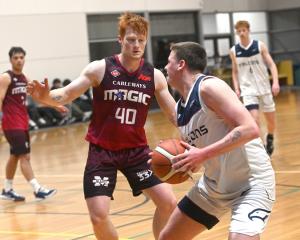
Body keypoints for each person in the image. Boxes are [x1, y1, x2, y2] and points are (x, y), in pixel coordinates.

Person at [28, 12, 177, 240]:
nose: (136, 45)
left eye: (141, 40)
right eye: (131, 39)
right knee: (98, 215)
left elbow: (175, 115)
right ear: (120, 40)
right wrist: (46, 97)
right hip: (102, 151)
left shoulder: (154, 76)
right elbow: (67, 93)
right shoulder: (100, 68)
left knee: (168, 202)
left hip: (136, 152)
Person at [157, 42, 275, 240]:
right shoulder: (181, 109)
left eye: (169, 62)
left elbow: (250, 129)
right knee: (168, 237)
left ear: (181, 64)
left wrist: (202, 154)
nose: (165, 67)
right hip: (214, 186)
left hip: (251, 183)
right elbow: (201, 152)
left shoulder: (209, 87)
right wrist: (186, 162)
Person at [0, 47, 57, 201]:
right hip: (11, 124)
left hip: (22, 123)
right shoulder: (6, 77)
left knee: (15, 155)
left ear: (24, 59)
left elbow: (40, 96)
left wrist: (55, 105)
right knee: (24, 156)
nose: (19, 60)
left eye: (21, 57)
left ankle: (7, 189)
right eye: (16, 58)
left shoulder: (25, 77)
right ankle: (37, 189)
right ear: (11, 60)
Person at [229, 20, 280, 156]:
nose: (241, 33)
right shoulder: (234, 51)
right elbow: (234, 71)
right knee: (254, 119)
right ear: (237, 33)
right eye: (239, 31)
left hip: (264, 88)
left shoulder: (259, 46)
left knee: (271, 122)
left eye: (244, 30)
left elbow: (272, 65)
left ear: (248, 30)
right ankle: (261, 145)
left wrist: (275, 82)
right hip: (248, 90)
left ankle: (270, 137)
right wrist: (236, 88)